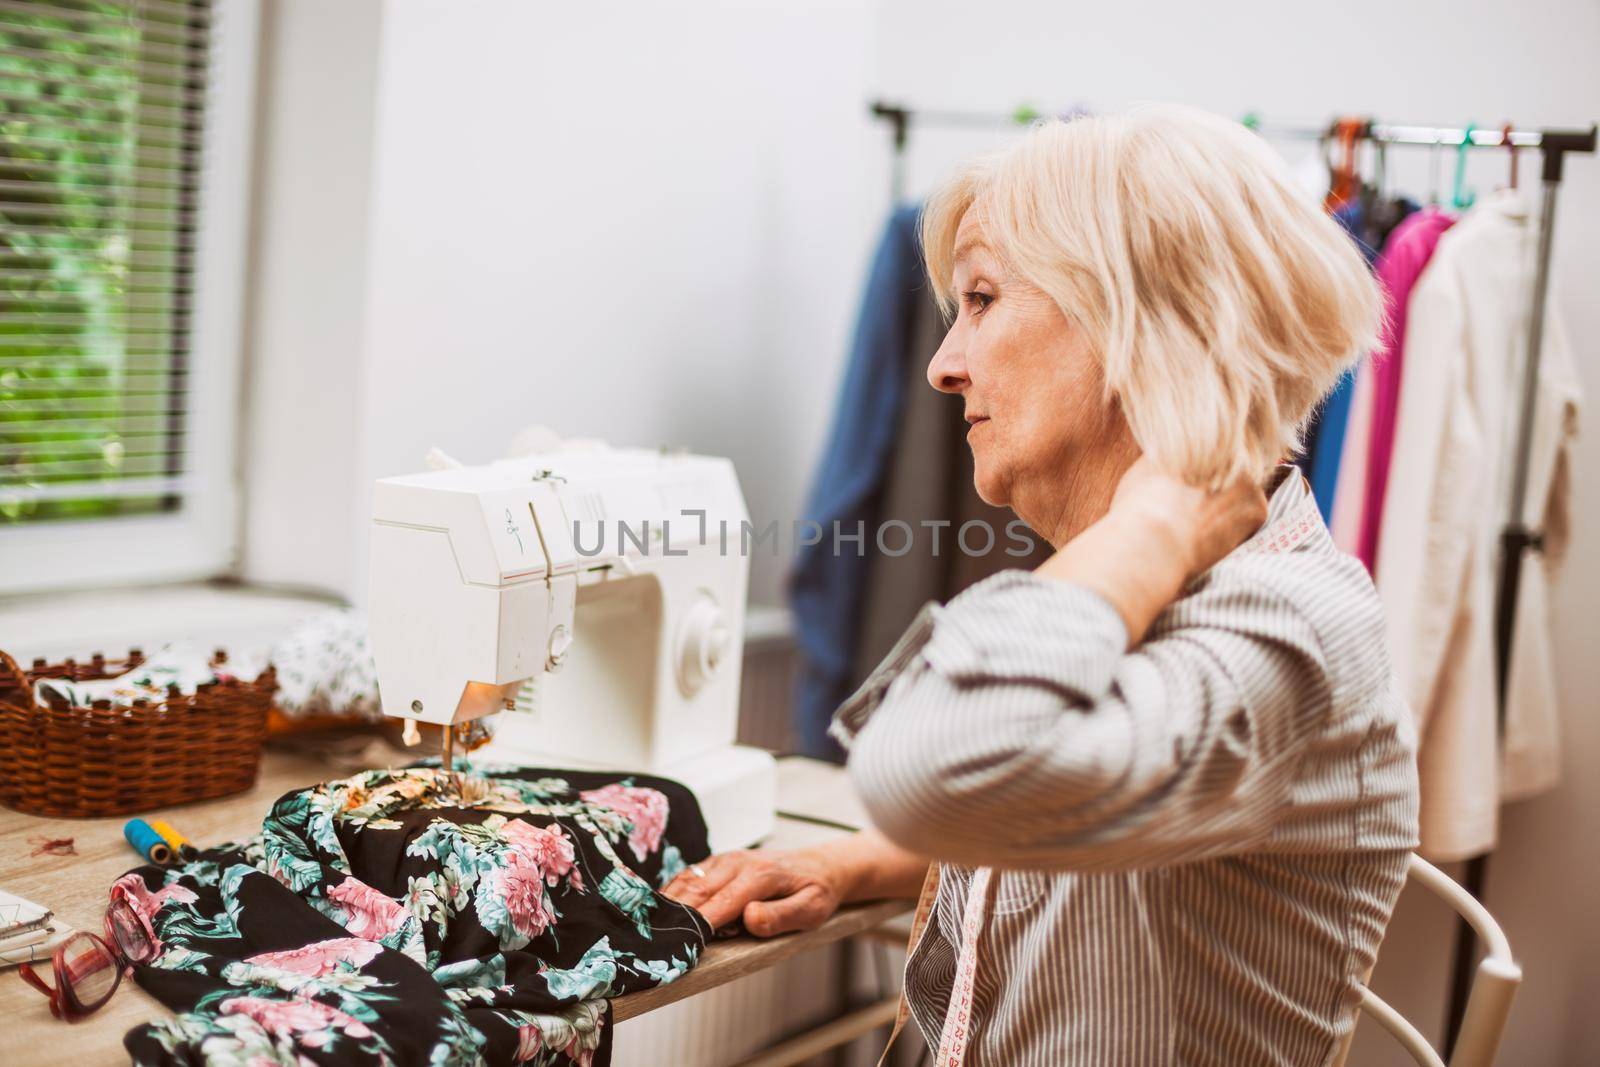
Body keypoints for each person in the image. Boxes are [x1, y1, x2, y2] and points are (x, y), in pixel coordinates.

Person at [664, 105, 1419, 1066]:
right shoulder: (1161, 583)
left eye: (980, 300)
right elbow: (1076, 804)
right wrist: (853, 861)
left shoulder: (1290, 625)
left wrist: (1151, 520)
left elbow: (930, 766)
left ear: (1146, 326)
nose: (943, 364)